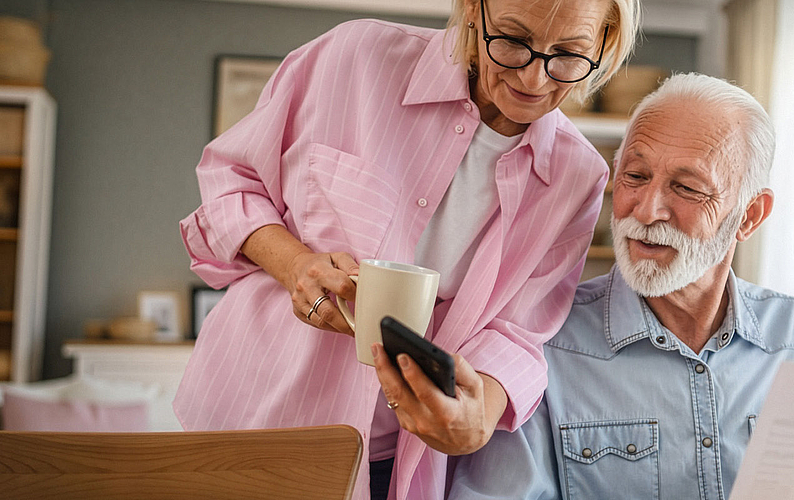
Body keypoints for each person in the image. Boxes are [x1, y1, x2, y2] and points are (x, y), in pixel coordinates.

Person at [173, 0, 640, 498]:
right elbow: (231, 183)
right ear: (472, 12)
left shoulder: (576, 177)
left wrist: (478, 415)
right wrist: (295, 265)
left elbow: (519, 333)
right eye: (511, 39)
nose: (534, 77)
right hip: (245, 423)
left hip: (392, 463)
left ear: (606, 43)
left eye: (569, 54)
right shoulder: (354, 58)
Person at [447, 73, 794, 499]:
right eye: (635, 177)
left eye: (687, 188)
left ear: (749, 215)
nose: (645, 212)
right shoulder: (540, 340)